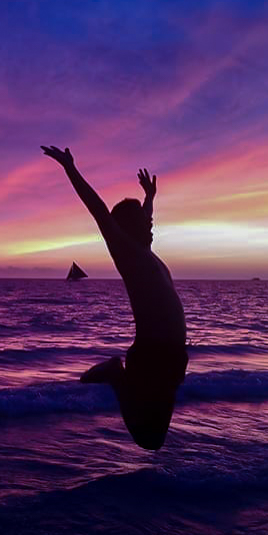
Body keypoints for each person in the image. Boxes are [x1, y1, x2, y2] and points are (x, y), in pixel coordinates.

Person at [41, 145, 188, 450]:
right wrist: (70, 168)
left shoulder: (146, 253)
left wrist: (149, 199)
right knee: (149, 440)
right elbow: (98, 210)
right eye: (144, 222)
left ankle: (118, 377)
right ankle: (115, 375)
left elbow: (145, 220)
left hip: (174, 356)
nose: (151, 224)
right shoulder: (129, 255)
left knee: (156, 436)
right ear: (126, 230)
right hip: (152, 354)